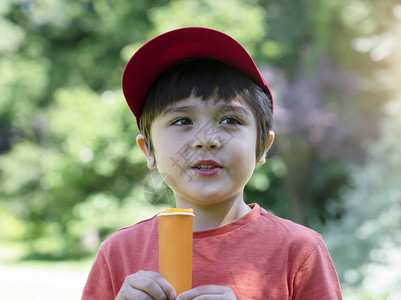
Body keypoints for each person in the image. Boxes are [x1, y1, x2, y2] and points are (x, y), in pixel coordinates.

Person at [82, 27, 342, 300]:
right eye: (182, 121)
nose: (206, 140)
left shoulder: (300, 251)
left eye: (230, 120)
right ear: (149, 150)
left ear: (263, 146)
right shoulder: (118, 253)